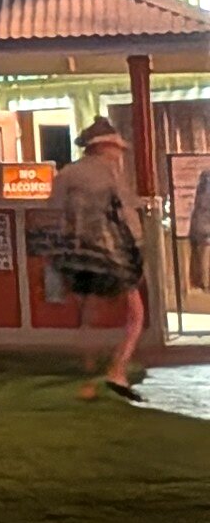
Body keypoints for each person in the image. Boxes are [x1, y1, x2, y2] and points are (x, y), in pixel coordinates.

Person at [39, 121, 151, 397]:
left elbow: (52, 215)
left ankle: (87, 379)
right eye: (116, 147)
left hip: (78, 255)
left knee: (87, 316)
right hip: (113, 253)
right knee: (136, 313)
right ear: (104, 146)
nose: (119, 153)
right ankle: (118, 370)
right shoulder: (111, 174)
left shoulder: (66, 174)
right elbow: (127, 217)